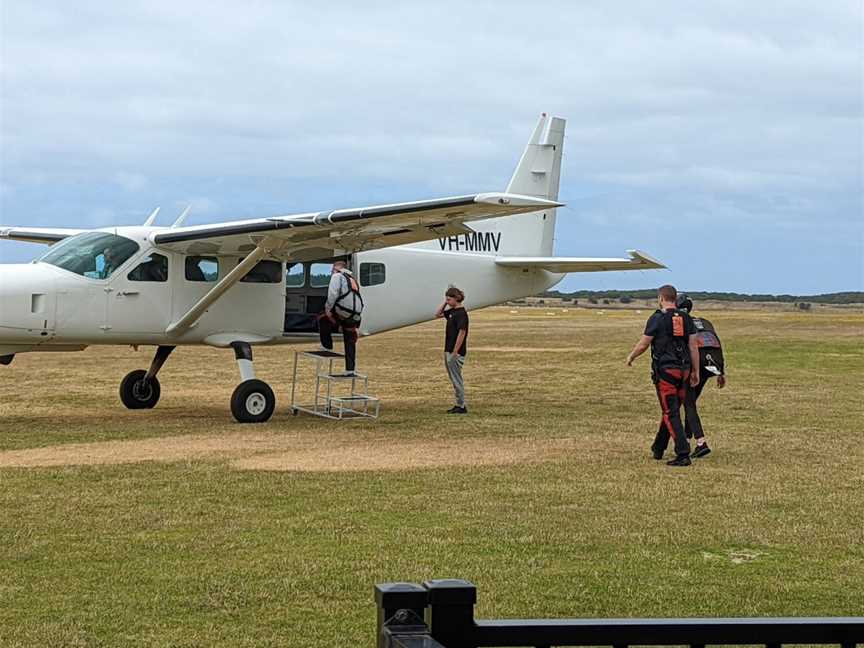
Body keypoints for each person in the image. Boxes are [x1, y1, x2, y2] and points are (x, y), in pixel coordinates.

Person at [626, 285, 700, 466]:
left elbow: (644, 344)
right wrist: (695, 371)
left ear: (661, 298)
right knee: (671, 410)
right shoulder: (686, 318)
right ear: (675, 298)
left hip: (666, 371)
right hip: (684, 370)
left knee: (670, 412)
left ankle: (683, 453)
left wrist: (631, 357)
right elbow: (693, 346)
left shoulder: (657, 318)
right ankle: (658, 447)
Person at [676, 295, 727, 458]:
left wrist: (691, 370)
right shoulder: (704, 322)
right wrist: (721, 372)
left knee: (689, 404)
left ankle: (701, 442)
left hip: (694, 367)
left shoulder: (682, 323)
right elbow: (717, 344)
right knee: (691, 402)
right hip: (710, 368)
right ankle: (687, 436)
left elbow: (687, 348)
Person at [318, 260, 363, 374]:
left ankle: (327, 346)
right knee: (349, 339)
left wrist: (328, 310)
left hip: (343, 311)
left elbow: (332, 294)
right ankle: (350, 370)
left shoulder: (337, 276)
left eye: (331, 270)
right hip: (355, 315)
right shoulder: (352, 279)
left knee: (322, 317)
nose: (331, 273)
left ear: (336, 269)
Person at [435, 286, 469, 414]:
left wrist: (455, 350)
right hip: (448, 349)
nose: (447, 302)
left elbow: (462, 332)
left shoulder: (461, 314)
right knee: (453, 378)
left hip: (455, 352)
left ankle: (461, 405)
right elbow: (437, 314)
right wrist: (445, 303)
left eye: (449, 299)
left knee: (456, 378)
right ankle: (459, 404)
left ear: (457, 299)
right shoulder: (452, 312)